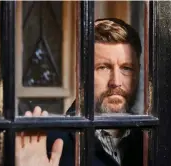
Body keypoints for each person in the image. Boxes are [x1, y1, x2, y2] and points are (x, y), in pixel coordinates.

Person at [16, 18, 143, 166]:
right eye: (103, 67)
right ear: (81, 73)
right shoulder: (47, 144)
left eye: (126, 68)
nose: (116, 82)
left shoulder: (152, 139)